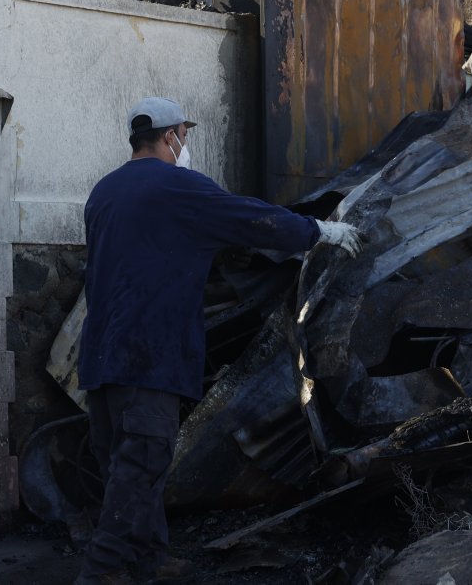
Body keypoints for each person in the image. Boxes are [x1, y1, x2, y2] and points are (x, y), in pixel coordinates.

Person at [75, 97, 361, 585]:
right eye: (183, 134)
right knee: (140, 468)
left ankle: (149, 561)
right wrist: (319, 231)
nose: (185, 143)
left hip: (102, 359)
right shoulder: (178, 187)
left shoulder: (103, 192)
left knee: (127, 468)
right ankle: (101, 573)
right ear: (170, 138)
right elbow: (248, 219)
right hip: (149, 356)